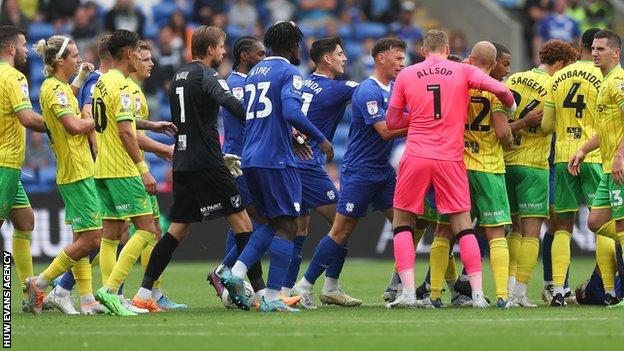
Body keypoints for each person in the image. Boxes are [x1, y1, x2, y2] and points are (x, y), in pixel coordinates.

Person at [132, 26, 265, 312]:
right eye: (220, 47)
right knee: (244, 225)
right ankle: (263, 295)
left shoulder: (178, 76)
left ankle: (144, 292)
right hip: (206, 160)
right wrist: (262, 118)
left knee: (177, 230)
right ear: (209, 50)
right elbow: (232, 105)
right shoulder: (209, 75)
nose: (223, 52)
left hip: (183, 160)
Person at [384, 29, 516, 308]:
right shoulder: (461, 70)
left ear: (422, 50)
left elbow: (393, 122)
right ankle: (478, 295)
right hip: (451, 158)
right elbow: (502, 90)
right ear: (446, 49)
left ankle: (407, 292)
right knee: (463, 225)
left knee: (403, 221)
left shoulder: (407, 75)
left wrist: (420, 118)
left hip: (417, 154)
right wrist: (511, 106)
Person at [221, 21, 333, 313]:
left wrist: (293, 137)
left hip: (251, 158)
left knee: (269, 223)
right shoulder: (289, 72)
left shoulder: (254, 72)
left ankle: (233, 273)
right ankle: (272, 296)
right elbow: (291, 110)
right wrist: (320, 139)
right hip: (276, 160)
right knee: (288, 225)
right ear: (294, 46)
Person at [291, 37, 408, 309]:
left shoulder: (394, 89)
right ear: (381, 59)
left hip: (383, 171)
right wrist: (424, 123)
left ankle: (399, 286)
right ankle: (303, 285)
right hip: (360, 171)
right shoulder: (365, 90)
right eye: (398, 58)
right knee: (340, 230)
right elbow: (385, 131)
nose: (403, 63)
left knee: (405, 226)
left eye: (404, 58)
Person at [91, 29, 176, 316]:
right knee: (147, 229)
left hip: (102, 167)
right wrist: (143, 170)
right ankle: (110, 290)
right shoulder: (125, 87)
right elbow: (125, 132)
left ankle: (109, 294)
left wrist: (151, 126)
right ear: (129, 54)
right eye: (138, 52)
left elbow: (119, 123)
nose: (141, 57)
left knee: (112, 233)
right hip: (123, 168)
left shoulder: (102, 83)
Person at [427, 41, 515, 308]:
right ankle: (502, 296)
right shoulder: (496, 91)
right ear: (494, 63)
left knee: (444, 231)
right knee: (496, 232)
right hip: (488, 167)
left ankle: (434, 295)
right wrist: (510, 139)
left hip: (456, 166)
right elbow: (502, 133)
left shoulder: (455, 84)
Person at [24, 35, 102, 315]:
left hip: (79, 168)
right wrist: (97, 118)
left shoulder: (58, 87)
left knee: (83, 238)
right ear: (59, 61)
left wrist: (80, 77)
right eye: (75, 56)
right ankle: (42, 283)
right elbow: (72, 125)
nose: (79, 58)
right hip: (75, 170)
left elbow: (68, 93)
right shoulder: (53, 90)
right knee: (92, 239)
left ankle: (82, 297)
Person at [282, 37, 360, 307]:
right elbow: (373, 91)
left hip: (291, 161)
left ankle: (287, 289)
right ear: (326, 58)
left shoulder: (300, 81)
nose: (345, 58)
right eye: (340, 54)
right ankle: (322, 286)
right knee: (343, 223)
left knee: (298, 230)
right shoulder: (336, 88)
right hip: (308, 163)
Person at [504, 39, 577, 307]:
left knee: (513, 229)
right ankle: (520, 293)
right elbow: (547, 127)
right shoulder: (556, 86)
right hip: (534, 165)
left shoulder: (514, 79)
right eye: (566, 67)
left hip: (506, 161)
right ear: (559, 64)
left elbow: (499, 118)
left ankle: (507, 290)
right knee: (531, 233)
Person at [541, 28, 604, 306]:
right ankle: (609, 290)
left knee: (562, 227)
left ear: (581, 47)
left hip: (564, 157)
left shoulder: (557, 78)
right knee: (603, 224)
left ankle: (558, 290)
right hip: (594, 156)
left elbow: (545, 125)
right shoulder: (606, 76)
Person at [206, 36, 269, 305]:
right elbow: (247, 119)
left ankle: (227, 274)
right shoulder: (236, 85)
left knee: (243, 222)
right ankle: (225, 272)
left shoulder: (248, 83)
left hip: (249, 157)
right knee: (257, 221)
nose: (263, 59)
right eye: (260, 54)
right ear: (245, 56)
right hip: (239, 160)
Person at [127, 41, 186, 311]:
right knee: (110, 235)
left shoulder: (136, 91)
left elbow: (132, 129)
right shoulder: (130, 91)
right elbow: (130, 135)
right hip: (125, 170)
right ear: (132, 60)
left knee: (153, 230)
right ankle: (96, 289)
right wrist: (165, 149)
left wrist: (153, 131)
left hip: (129, 167)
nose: (151, 64)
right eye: (146, 59)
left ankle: (153, 293)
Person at [569, 29, 624, 308]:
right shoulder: (604, 82)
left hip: (619, 167)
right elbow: (607, 129)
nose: (595, 53)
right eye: (593, 48)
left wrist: (620, 156)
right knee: (595, 223)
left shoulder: (618, 81)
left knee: (621, 227)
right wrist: (583, 149)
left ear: (616, 52)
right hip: (606, 167)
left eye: (601, 49)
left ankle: (616, 293)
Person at [0, 25, 47, 313]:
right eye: (24, 44)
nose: (28, 50)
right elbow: (28, 118)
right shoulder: (14, 77)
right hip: (5, 162)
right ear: (11, 48)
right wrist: (61, 125)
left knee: (26, 221)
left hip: (9, 165)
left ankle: (29, 289)